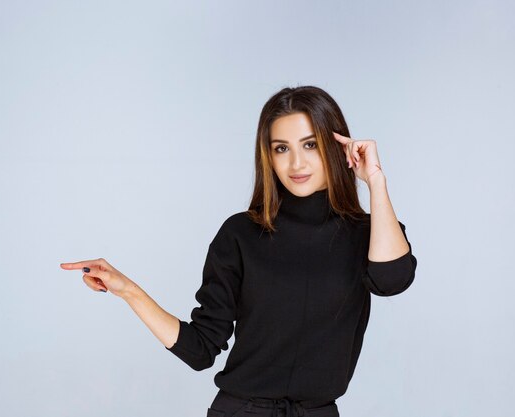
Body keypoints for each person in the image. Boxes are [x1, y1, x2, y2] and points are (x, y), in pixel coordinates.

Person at [60, 85, 417, 417]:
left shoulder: (367, 234)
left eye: (310, 145)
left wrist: (375, 181)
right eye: (282, 148)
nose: (296, 163)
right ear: (268, 157)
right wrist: (128, 291)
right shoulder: (241, 234)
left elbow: (392, 279)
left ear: (337, 147)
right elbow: (201, 349)